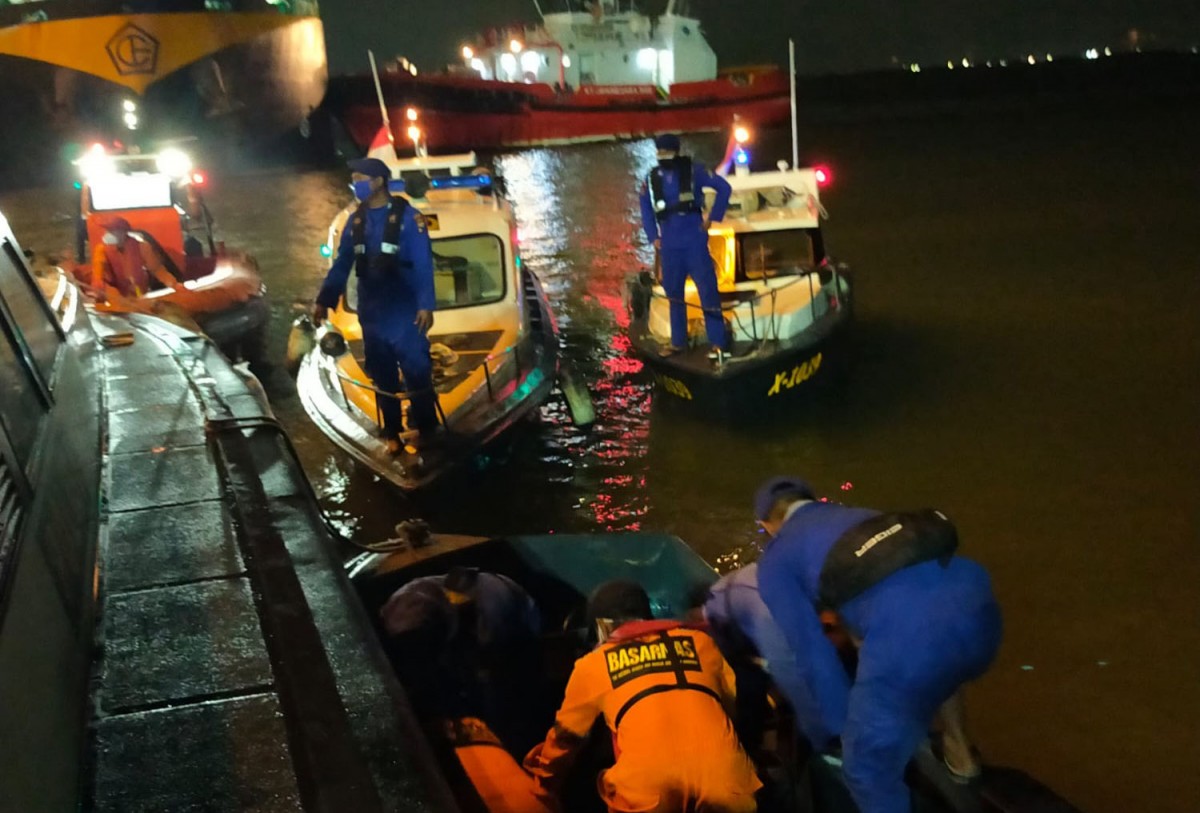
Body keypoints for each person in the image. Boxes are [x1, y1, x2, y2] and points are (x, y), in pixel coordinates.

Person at [751, 476, 1003, 813]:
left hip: (912, 644)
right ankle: (961, 756)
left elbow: (810, 654)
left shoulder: (777, 559)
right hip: (981, 615)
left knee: (866, 769)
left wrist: (838, 730)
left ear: (767, 523)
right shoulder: (861, 515)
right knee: (940, 664)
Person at [524, 580, 761, 813]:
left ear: (601, 627)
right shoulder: (702, 643)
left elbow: (566, 738)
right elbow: (730, 707)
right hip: (727, 782)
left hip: (649, 792)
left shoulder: (593, 664)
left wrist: (545, 787)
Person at [313, 157, 438, 455]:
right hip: (372, 310)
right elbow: (343, 263)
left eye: (360, 177)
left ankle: (427, 427)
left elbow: (422, 264)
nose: (355, 183)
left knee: (417, 368)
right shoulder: (355, 221)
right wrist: (325, 299)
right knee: (381, 373)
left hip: (403, 307)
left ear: (379, 180)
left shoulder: (410, 219)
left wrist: (425, 305)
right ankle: (391, 429)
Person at [638, 134, 732, 356]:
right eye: (660, 153)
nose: (662, 157)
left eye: (666, 152)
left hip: (694, 241)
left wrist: (713, 217)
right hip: (669, 244)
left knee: (708, 291)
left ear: (675, 152)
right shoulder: (651, 179)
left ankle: (718, 340)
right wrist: (654, 238)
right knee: (674, 295)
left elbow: (724, 187)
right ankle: (678, 342)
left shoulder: (695, 171)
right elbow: (645, 209)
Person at [90, 216, 180, 300]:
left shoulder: (142, 247)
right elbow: (98, 274)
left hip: (140, 297)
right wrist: (97, 292)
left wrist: (175, 285)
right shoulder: (101, 249)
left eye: (111, 231)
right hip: (116, 299)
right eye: (107, 231)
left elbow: (158, 270)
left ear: (123, 232)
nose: (107, 234)